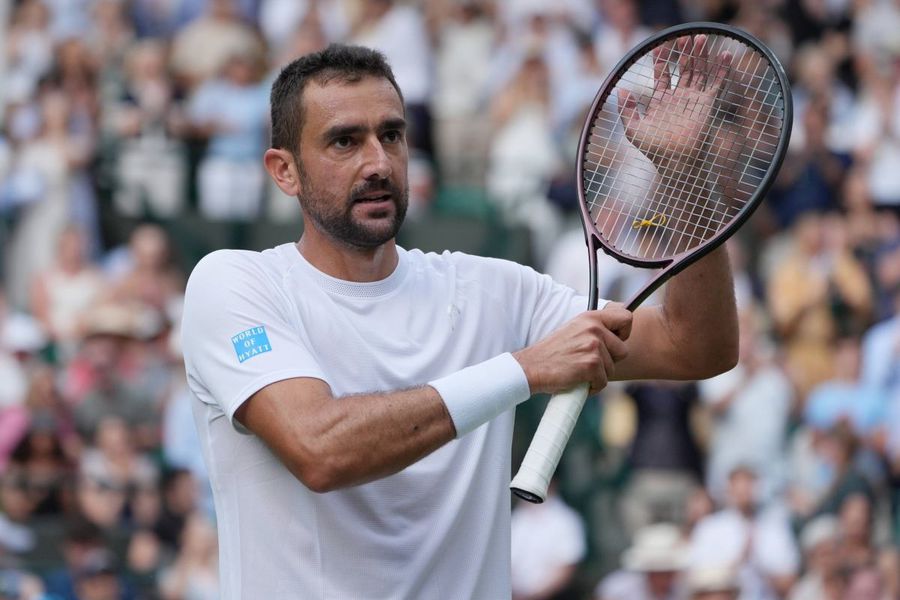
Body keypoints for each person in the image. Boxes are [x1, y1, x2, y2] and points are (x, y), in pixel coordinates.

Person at [180, 43, 739, 598]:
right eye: (344, 141)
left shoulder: (494, 288)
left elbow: (695, 347)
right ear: (285, 171)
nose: (377, 162)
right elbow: (320, 450)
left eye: (391, 135)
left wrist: (685, 172)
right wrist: (524, 371)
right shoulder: (233, 284)